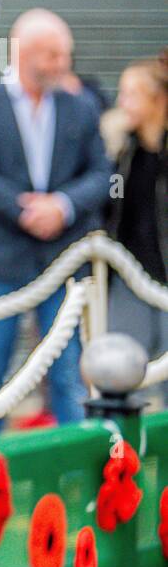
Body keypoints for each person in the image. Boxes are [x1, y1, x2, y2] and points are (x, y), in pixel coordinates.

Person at [0, 8, 111, 440]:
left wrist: (61, 206)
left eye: (65, 55)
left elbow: (101, 173)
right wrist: (23, 207)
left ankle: (76, 473)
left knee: (67, 374)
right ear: (20, 52)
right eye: (51, 55)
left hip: (62, 259)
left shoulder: (80, 106)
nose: (61, 64)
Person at [102, 53, 168, 402]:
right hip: (130, 278)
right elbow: (109, 202)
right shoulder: (123, 152)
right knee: (121, 377)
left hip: (165, 276)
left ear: (158, 99)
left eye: (131, 93)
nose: (121, 103)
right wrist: (110, 156)